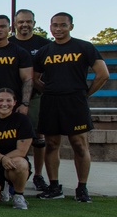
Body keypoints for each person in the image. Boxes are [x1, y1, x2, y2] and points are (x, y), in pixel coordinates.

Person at [33, 12, 110, 202]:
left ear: (71, 27)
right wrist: (49, 91)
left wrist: (84, 94)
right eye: (55, 25)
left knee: (79, 144)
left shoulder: (84, 47)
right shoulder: (45, 51)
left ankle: (82, 188)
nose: (58, 29)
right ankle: (54, 186)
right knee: (51, 144)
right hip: (51, 102)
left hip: (75, 102)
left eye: (63, 25)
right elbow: (34, 78)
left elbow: (103, 74)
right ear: (50, 27)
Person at [9, 9, 52, 191]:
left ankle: (38, 175)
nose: (24, 25)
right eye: (21, 22)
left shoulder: (44, 44)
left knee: (38, 136)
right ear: (15, 24)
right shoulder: (8, 43)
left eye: (28, 22)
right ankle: (10, 173)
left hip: (35, 97)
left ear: (34, 23)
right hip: (10, 98)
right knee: (9, 136)